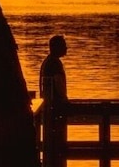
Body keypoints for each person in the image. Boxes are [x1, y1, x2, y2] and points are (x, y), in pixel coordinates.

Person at [38, 35, 69, 167]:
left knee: (53, 146)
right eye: (63, 45)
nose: (66, 48)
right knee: (57, 145)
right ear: (56, 47)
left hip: (48, 106)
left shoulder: (47, 62)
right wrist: (64, 99)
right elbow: (58, 83)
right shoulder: (55, 63)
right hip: (55, 108)